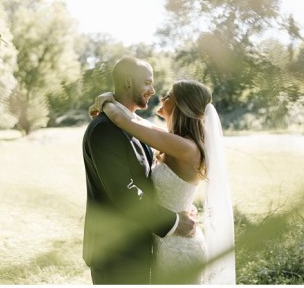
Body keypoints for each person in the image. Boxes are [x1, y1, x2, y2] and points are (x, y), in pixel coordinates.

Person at [89, 72, 236, 285]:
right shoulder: (178, 141)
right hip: (165, 240)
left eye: (169, 96)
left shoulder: (185, 147)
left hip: (179, 248)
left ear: (182, 106)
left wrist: (105, 100)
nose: (162, 98)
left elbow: (124, 120)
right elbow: (136, 121)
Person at [81, 58, 198, 284]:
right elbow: (126, 194)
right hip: (116, 254)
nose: (153, 91)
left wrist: (179, 202)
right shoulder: (105, 129)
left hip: (143, 249)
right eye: (147, 83)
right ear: (127, 82)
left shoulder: (135, 126)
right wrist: (175, 221)